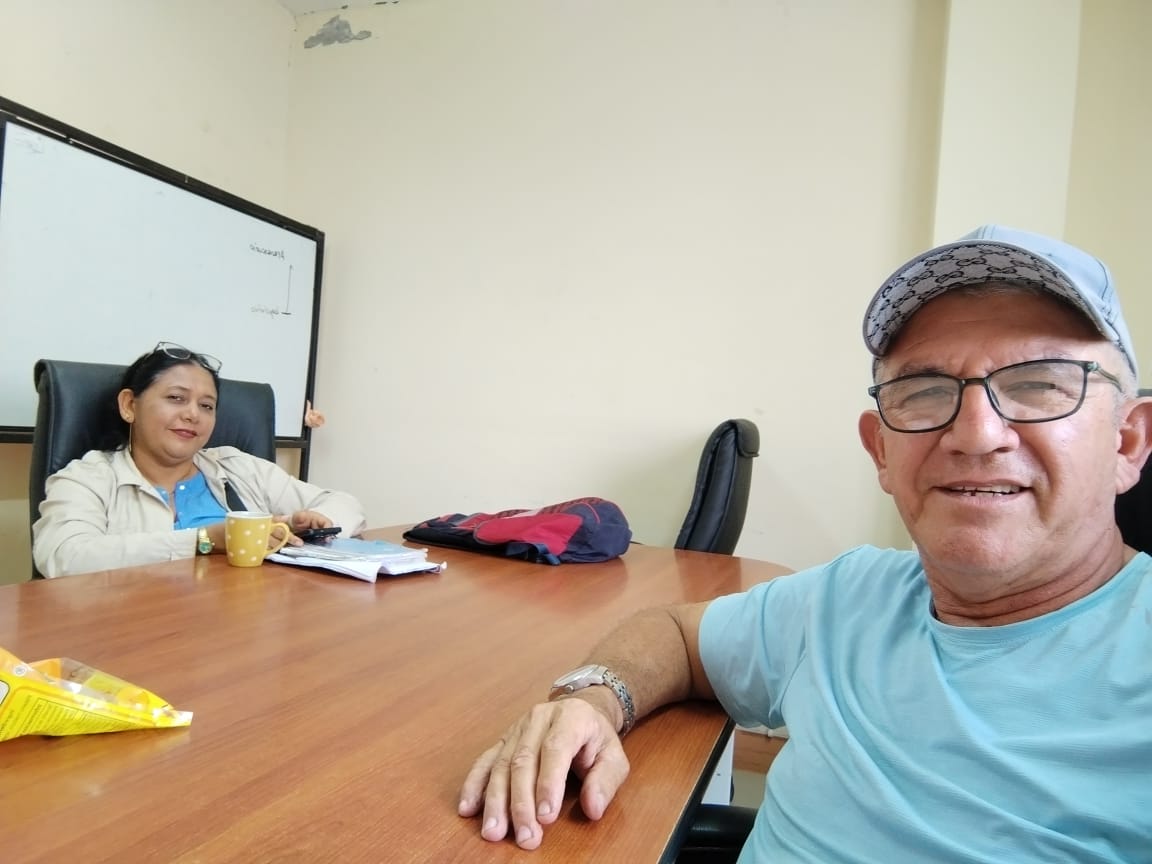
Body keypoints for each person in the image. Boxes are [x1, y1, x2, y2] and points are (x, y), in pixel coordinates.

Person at [457, 226, 1152, 861]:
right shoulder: (849, 598)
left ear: (1127, 441)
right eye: (924, 390)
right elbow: (675, 635)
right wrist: (590, 702)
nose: (975, 433)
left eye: (1038, 385)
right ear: (880, 450)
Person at [32, 342, 367, 578]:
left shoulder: (236, 467)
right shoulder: (87, 478)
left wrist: (304, 526)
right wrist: (204, 541)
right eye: (176, 398)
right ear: (129, 406)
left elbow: (347, 506)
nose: (193, 414)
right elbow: (63, 557)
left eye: (207, 406)